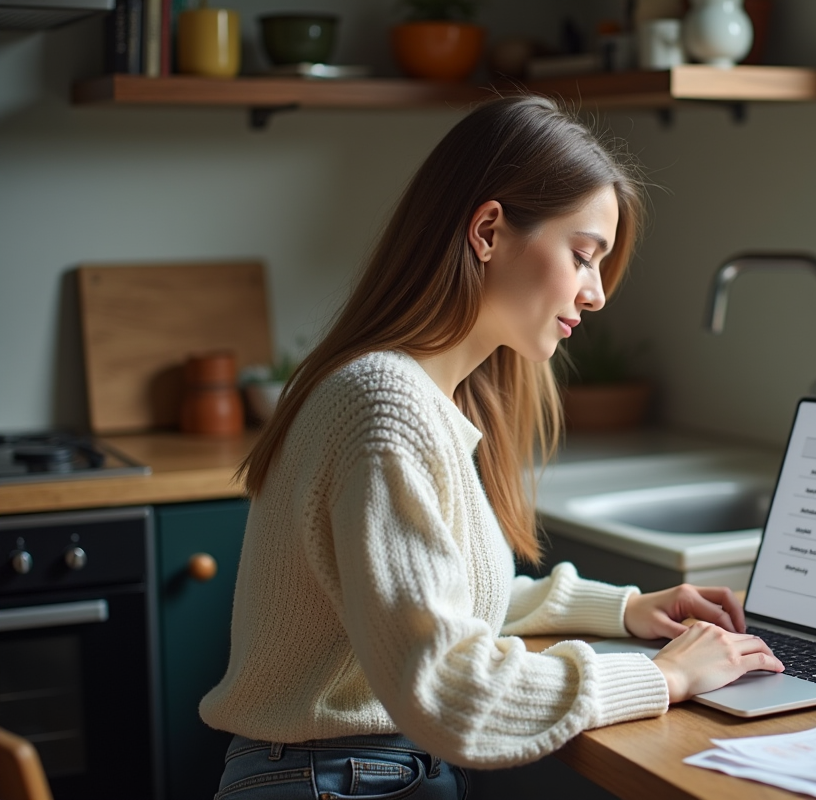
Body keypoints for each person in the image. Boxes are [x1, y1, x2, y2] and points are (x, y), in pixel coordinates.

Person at [199, 94, 783, 800]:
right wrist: (663, 676)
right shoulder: (386, 407)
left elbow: (445, 603)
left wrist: (625, 610)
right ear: (487, 231)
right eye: (583, 255)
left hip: (352, 773)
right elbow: (451, 690)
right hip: (338, 780)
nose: (595, 294)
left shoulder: (418, 397)